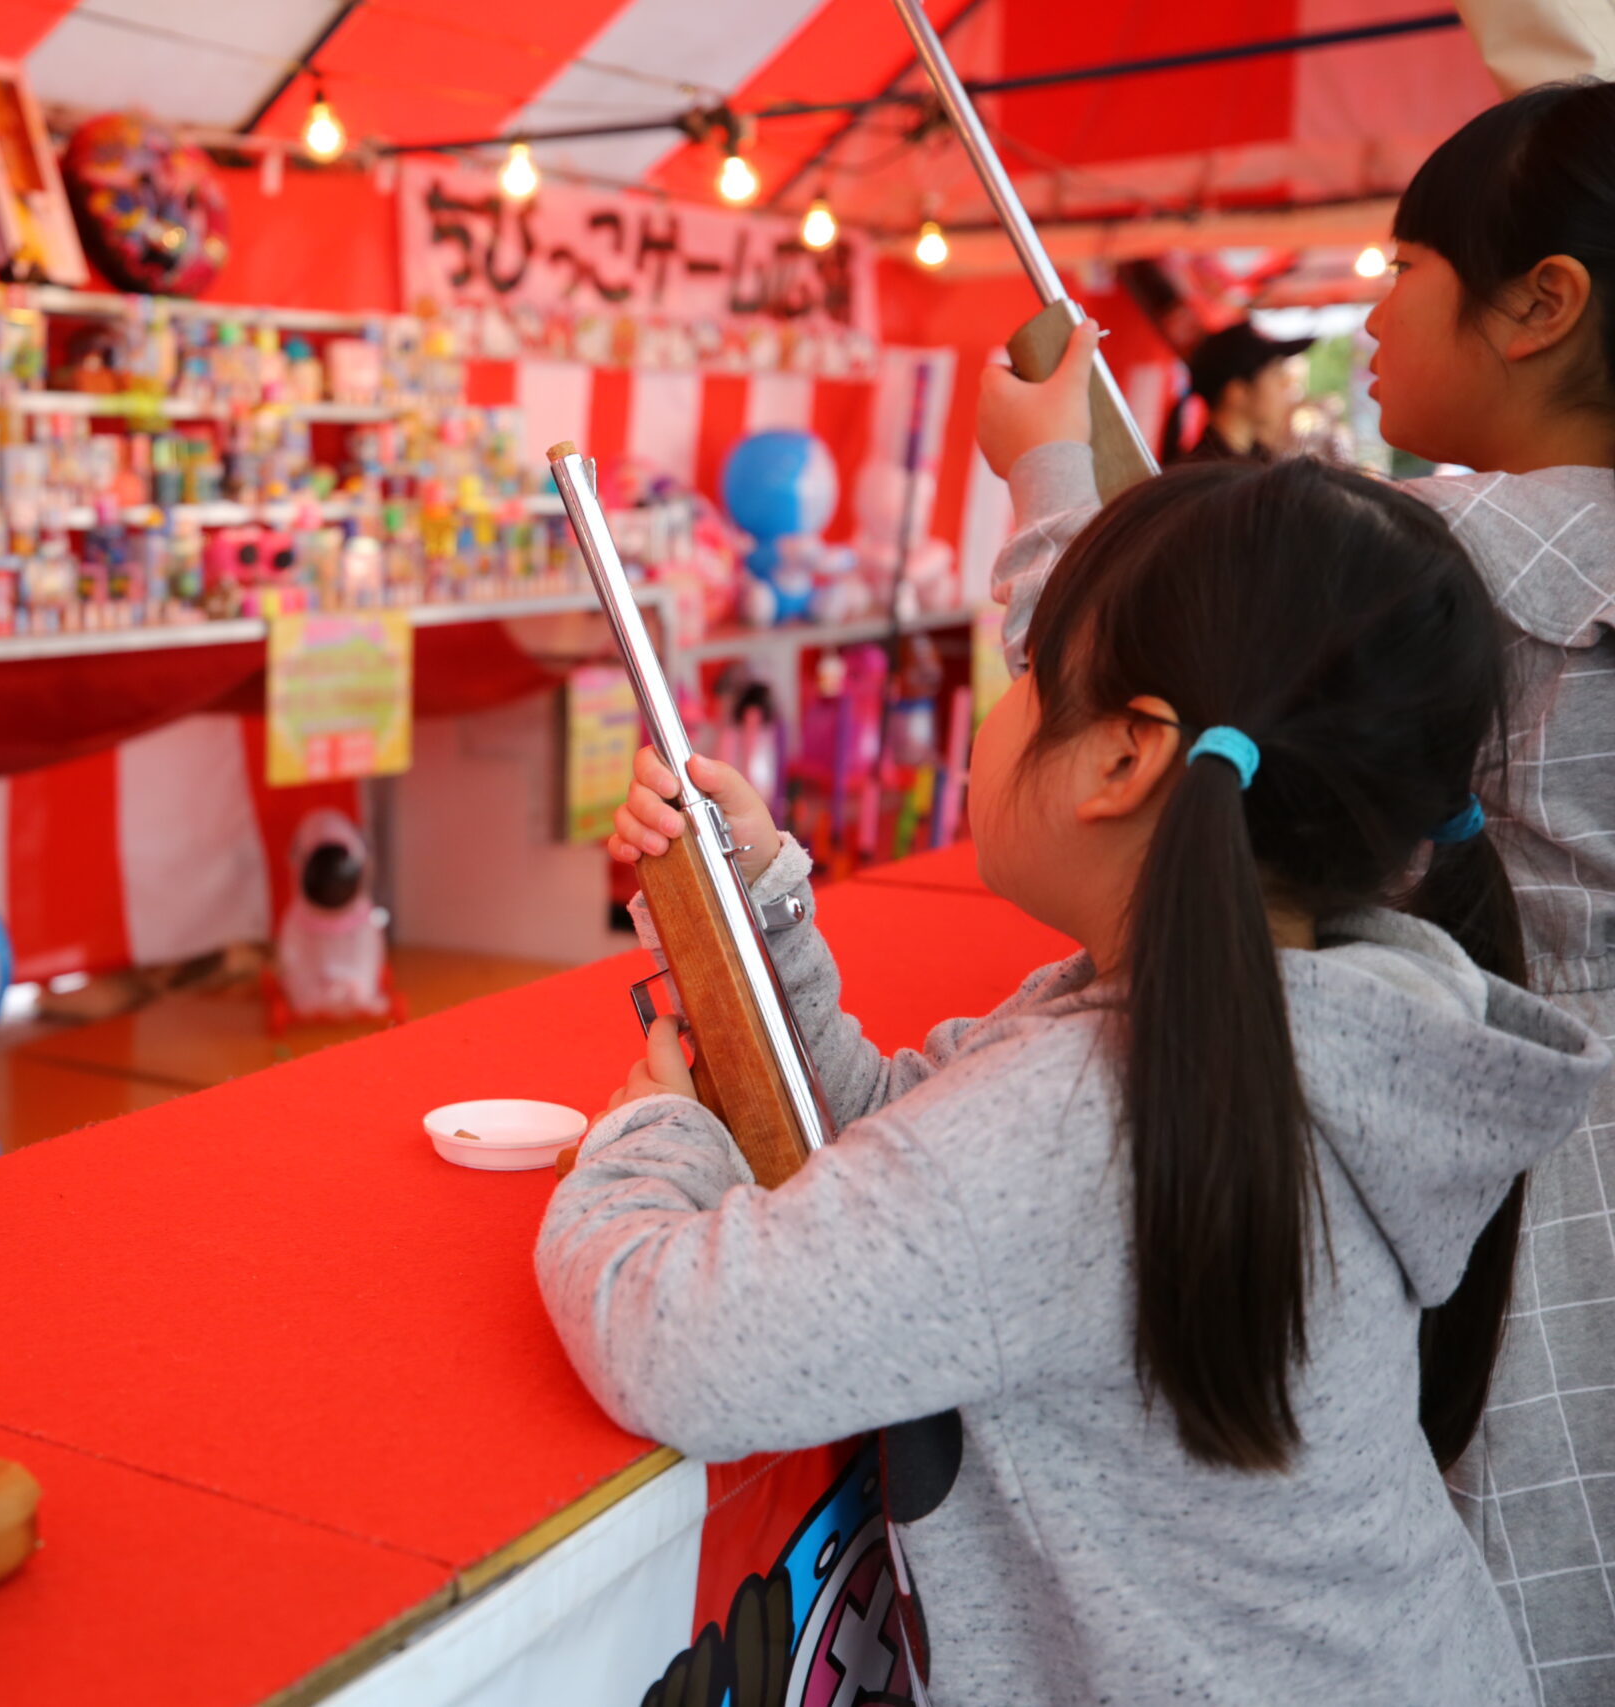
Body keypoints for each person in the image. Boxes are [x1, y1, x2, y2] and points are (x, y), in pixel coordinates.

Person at [536, 457, 1607, 1705]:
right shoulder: (1313, 1016)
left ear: (1122, 763)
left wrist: (649, 1134)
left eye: (1032, 669)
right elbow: (906, 1149)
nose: (1006, 700)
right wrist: (758, 909)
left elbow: (681, 1344)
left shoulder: (1087, 1119)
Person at [984, 79, 1615, 1702]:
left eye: (1402, 262)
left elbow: (1127, 650)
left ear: (1542, 304)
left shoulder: (1438, 561)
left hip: (1511, 1198)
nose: (1366, 299)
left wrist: (1042, 463)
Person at [1159, 319, 1314, 464]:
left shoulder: (1256, 465)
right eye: (1277, 374)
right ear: (1237, 392)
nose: (1286, 386)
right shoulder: (1211, 479)